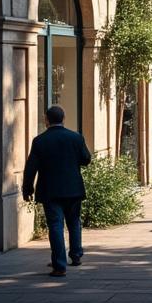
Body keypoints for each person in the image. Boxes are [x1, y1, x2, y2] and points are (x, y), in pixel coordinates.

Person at [23, 105, 91, 277]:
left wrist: (27, 188)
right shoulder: (76, 138)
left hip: (50, 190)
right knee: (74, 222)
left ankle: (59, 265)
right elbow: (86, 159)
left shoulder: (39, 141)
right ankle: (75, 256)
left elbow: (31, 168)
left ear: (46, 120)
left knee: (55, 225)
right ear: (64, 118)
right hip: (73, 189)